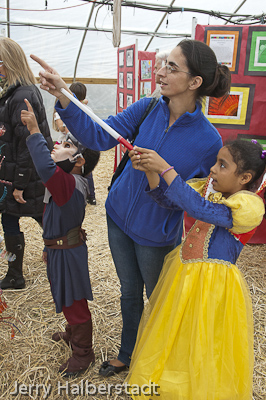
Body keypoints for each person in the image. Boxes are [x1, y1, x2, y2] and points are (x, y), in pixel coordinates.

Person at [30, 38, 231, 376]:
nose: (162, 72)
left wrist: (159, 170)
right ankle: (128, 352)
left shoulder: (209, 141)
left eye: (172, 67)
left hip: (156, 234)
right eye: (164, 64)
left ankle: (166, 358)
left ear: (194, 82)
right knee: (128, 292)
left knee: (159, 298)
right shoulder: (149, 107)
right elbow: (99, 137)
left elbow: (190, 200)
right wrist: (64, 96)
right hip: (118, 217)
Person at [127, 139, 266, 399]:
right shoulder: (208, 191)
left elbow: (201, 209)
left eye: (222, 165)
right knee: (178, 332)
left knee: (205, 338)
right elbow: (169, 200)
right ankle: (170, 384)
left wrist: (167, 169)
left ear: (245, 177)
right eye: (215, 162)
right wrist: (151, 171)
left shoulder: (247, 207)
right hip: (184, 276)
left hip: (213, 286)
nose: (212, 169)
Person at [21, 99, 100, 376]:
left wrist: (33, 131)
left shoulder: (68, 183)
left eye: (66, 146)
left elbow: (44, 167)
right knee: (65, 294)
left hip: (68, 253)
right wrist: (49, 245)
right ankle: (71, 332)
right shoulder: (66, 182)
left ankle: (83, 352)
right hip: (60, 249)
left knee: (73, 300)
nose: (58, 145)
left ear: (78, 161)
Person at [0, 37, 53, 290]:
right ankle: (17, 273)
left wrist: (19, 184)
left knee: (37, 217)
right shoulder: (14, 93)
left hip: (24, 176)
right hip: (16, 174)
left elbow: (27, 145)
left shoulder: (21, 96)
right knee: (26, 218)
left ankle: (18, 274)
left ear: (8, 63)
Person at [68, 82, 97, 206]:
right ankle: (92, 196)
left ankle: (77, 195)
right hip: (88, 142)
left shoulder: (71, 110)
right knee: (87, 170)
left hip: (75, 143)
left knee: (73, 169)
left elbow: (66, 129)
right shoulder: (88, 109)